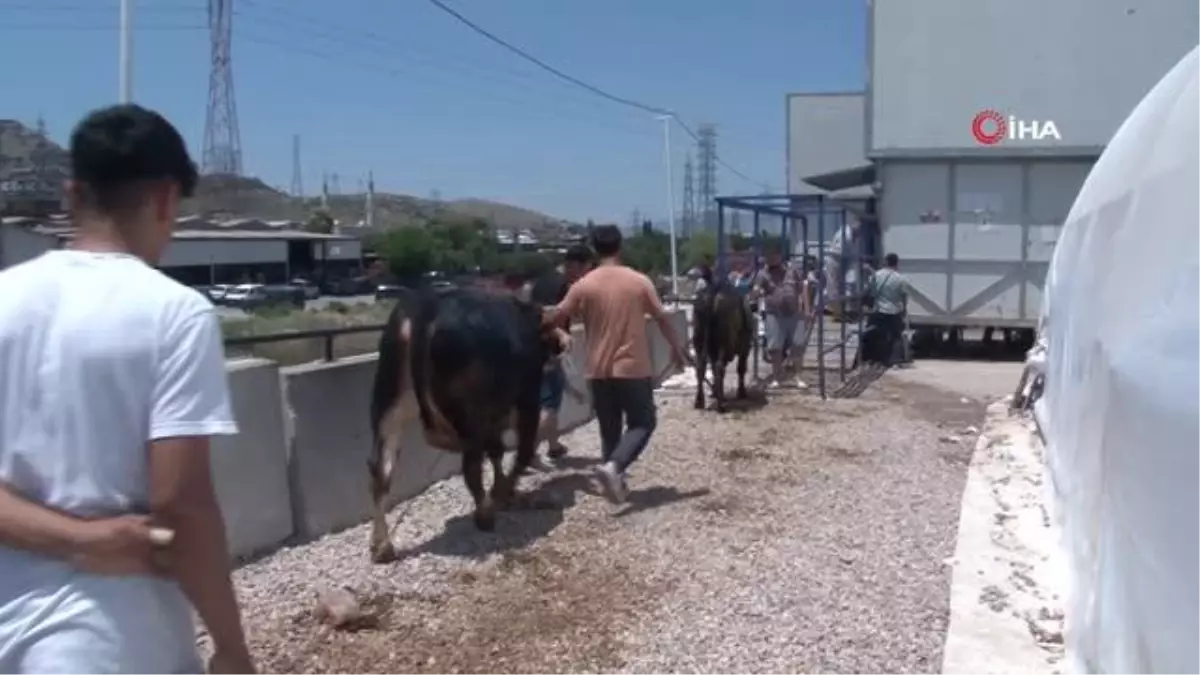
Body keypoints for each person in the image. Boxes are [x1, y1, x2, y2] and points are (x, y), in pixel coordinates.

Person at [0, 105, 256, 674]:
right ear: (166, 199)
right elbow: (182, 506)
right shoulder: (174, 313)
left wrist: (71, 537)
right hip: (107, 641)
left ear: (71, 194)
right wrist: (231, 646)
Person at [553, 225, 689, 504]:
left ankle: (614, 484)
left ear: (594, 248)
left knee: (610, 428)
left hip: (597, 370)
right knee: (643, 422)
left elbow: (556, 316)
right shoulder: (638, 281)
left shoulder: (584, 284)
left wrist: (561, 334)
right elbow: (662, 318)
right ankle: (614, 468)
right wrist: (678, 349)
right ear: (620, 246)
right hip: (631, 367)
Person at [524, 244, 593, 462]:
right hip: (548, 353)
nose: (585, 276)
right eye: (585, 269)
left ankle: (553, 446)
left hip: (532, 350)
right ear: (575, 265)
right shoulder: (564, 286)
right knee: (549, 406)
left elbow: (533, 313)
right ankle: (526, 453)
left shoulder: (542, 282)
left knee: (548, 401)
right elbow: (544, 317)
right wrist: (561, 335)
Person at [752, 248, 807, 388]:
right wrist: (756, 292)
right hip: (774, 314)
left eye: (773, 256)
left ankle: (798, 377)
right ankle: (776, 377)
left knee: (798, 345)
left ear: (779, 256)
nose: (770, 260)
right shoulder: (763, 274)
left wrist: (806, 309)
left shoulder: (792, 270)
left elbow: (802, 290)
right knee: (775, 348)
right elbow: (756, 290)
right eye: (767, 257)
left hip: (795, 313)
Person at [863, 252, 911, 366]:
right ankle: (894, 360)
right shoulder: (900, 278)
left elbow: (869, 291)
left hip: (878, 310)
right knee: (895, 337)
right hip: (894, 311)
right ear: (896, 264)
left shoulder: (876, 275)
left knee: (871, 334)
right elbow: (904, 296)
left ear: (885, 262)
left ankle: (868, 358)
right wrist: (903, 310)